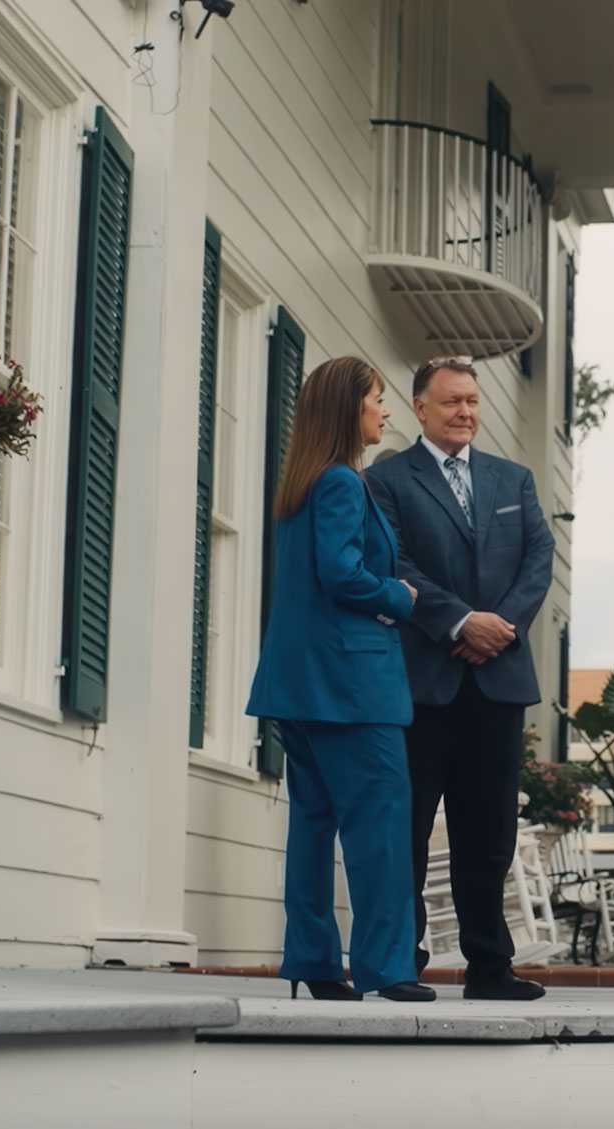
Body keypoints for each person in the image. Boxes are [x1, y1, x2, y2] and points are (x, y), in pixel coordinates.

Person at [364, 357, 555, 1001]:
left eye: (472, 401)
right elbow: (396, 561)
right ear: (420, 407)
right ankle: (401, 962)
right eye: (451, 402)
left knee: (489, 834)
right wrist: (458, 622)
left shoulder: (515, 479)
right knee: (407, 832)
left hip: (497, 683)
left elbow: (538, 559)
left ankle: (490, 968)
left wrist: (496, 625)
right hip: (422, 683)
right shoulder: (385, 480)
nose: (466, 412)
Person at [246, 357, 434, 1004]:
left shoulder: (300, 484)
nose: (385, 410)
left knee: (313, 824)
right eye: (378, 399)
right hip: (351, 685)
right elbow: (341, 573)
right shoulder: (342, 485)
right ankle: (386, 967)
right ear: (348, 408)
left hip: (301, 684)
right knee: (380, 826)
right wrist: (402, 595)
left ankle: (314, 961)